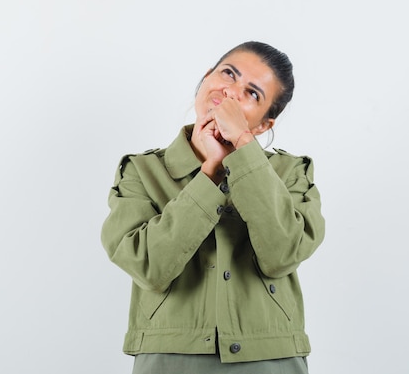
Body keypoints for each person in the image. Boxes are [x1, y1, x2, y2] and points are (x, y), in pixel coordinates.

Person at [101, 41, 325, 374]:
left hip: (269, 358)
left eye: (252, 94)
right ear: (206, 78)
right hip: (170, 356)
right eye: (227, 74)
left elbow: (283, 253)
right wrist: (210, 173)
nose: (231, 93)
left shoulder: (290, 173)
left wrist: (243, 149)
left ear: (264, 124)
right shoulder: (142, 171)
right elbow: (147, 265)